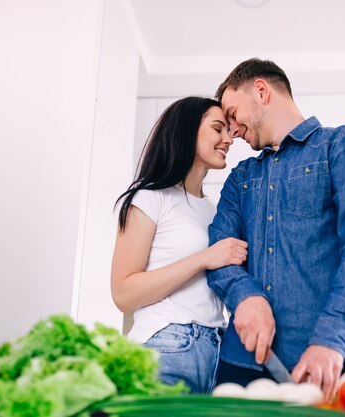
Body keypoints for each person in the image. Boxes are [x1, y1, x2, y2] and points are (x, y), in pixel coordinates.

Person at [207, 58, 345, 401]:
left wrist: (332, 338)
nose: (232, 131)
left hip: (327, 361)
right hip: (241, 363)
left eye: (232, 114)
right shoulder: (241, 177)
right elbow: (220, 249)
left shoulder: (341, 146)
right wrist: (245, 296)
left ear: (261, 90)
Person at [111, 97, 249, 394]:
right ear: (187, 131)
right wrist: (204, 258)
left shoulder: (214, 211)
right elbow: (123, 293)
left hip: (215, 353)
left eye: (228, 130)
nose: (229, 139)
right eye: (218, 129)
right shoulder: (149, 197)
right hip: (166, 346)